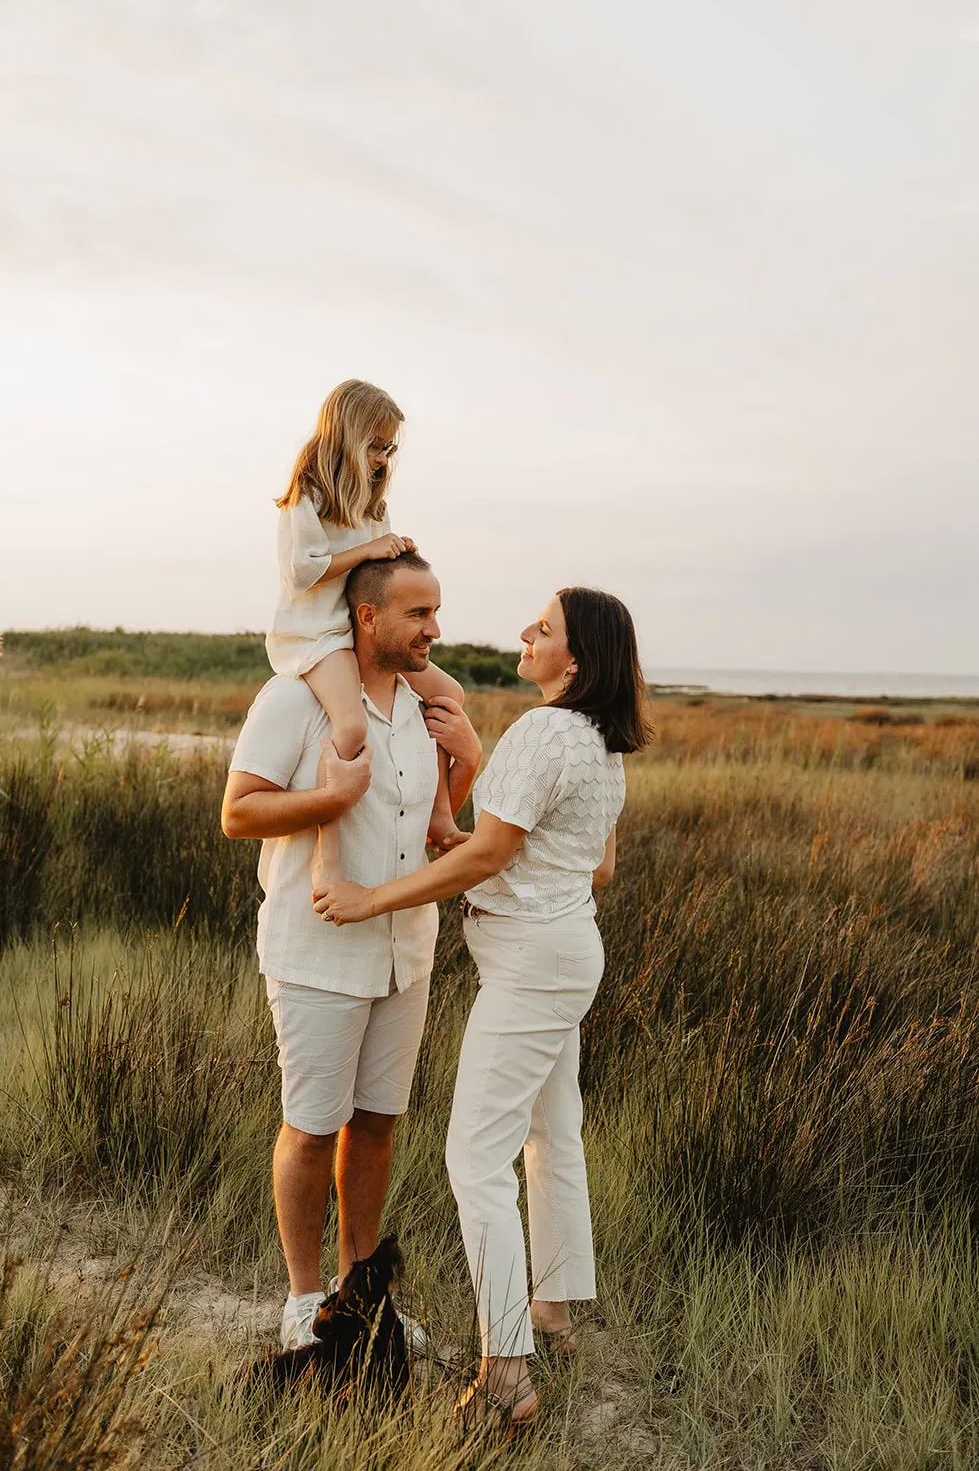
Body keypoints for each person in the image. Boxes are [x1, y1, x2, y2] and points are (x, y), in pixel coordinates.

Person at [314, 587, 654, 1425]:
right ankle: (552, 1311)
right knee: (551, 1132)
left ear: (574, 659)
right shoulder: (599, 743)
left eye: (543, 628)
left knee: (474, 1160)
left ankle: (506, 1372)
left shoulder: (543, 731)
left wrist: (375, 899)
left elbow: (497, 853)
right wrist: (471, 841)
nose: (525, 633)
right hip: (567, 949)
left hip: (533, 964)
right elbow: (588, 865)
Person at [222, 550, 482, 1351]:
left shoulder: (424, 705)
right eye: (418, 614)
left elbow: (425, 826)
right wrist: (328, 797)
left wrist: (466, 761)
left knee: (375, 1126)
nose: (434, 629)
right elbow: (239, 812)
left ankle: (357, 1296)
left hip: (406, 952)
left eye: (436, 612)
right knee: (310, 1127)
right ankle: (304, 1304)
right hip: (317, 954)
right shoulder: (295, 700)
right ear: (367, 618)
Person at [270, 379, 464, 887]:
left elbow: (374, 578)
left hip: (363, 628)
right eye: (375, 446)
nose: (382, 459)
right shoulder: (306, 495)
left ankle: (440, 814)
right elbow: (300, 572)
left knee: (450, 693)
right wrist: (368, 553)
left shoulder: (372, 506)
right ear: (347, 437)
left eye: (389, 448)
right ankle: (326, 855)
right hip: (319, 633)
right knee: (352, 729)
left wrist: (397, 554)